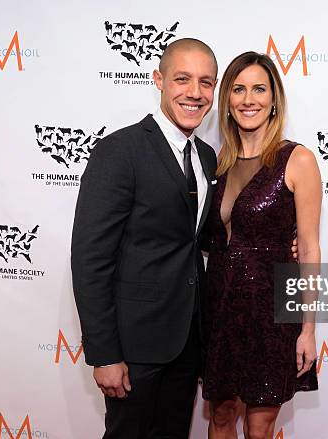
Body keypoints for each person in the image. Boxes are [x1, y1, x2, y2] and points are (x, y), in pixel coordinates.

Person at [71, 38, 218, 439]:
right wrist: (104, 354)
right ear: (158, 79)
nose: (195, 92)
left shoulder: (205, 156)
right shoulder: (120, 150)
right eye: (182, 79)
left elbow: (193, 239)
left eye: (206, 83)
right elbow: (90, 259)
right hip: (133, 344)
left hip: (187, 339)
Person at [202, 52, 322, 439]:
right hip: (219, 304)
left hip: (270, 312)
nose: (248, 99)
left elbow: (307, 249)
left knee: (260, 425)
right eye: (238, 89)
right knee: (220, 416)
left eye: (258, 89)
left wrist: (307, 329)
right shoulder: (218, 161)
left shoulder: (297, 159)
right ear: (227, 100)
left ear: (274, 100)